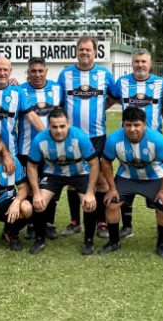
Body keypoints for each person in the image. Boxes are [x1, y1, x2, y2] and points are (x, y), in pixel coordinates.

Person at [57, 36, 118, 239]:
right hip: (71, 137)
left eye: (88, 50)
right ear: (77, 51)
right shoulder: (65, 75)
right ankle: (75, 222)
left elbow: (116, 95)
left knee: (100, 180)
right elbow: (57, 102)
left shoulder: (104, 74)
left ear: (95, 52)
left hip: (97, 136)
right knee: (73, 179)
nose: (85, 53)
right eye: (81, 50)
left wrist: (102, 107)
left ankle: (101, 221)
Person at [99, 106, 163, 257]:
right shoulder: (114, 139)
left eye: (137, 125)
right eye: (128, 125)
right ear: (123, 124)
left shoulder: (157, 139)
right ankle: (114, 242)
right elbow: (106, 162)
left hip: (153, 177)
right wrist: (112, 188)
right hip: (127, 176)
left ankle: (162, 244)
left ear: (144, 125)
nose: (132, 129)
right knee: (112, 202)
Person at [113, 49, 163, 239]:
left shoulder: (161, 84)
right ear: (132, 63)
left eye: (143, 62)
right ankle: (127, 226)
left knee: (156, 183)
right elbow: (110, 97)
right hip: (128, 139)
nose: (140, 65)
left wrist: (153, 128)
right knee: (127, 176)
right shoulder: (121, 83)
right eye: (137, 61)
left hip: (153, 144)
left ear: (150, 64)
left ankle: (160, 227)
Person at [26, 108, 100, 255]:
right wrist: (36, 193)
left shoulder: (80, 137)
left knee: (89, 204)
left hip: (79, 173)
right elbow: (31, 166)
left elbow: (95, 164)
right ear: (48, 126)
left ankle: (89, 241)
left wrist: (90, 192)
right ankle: (39, 239)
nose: (58, 130)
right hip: (53, 174)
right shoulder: (40, 140)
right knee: (39, 204)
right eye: (54, 127)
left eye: (62, 126)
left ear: (68, 124)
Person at [18, 57, 63, 240]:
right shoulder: (19, 90)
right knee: (30, 187)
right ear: (28, 73)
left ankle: (49, 223)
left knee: (50, 186)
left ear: (46, 71)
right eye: (33, 71)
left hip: (52, 149)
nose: (37, 74)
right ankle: (31, 224)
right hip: (27, 148)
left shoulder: (57, 89)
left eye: (40, 71)